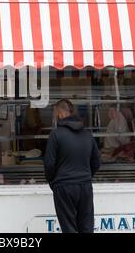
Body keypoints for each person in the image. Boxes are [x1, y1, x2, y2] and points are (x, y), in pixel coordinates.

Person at [44, 99, 101, 233]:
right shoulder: (87, 134)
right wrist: (86, 176)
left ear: (60, 114)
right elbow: (97, 162)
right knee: (86, 227)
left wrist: (53, 182)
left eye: (55, 114)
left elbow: (49, 164)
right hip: (85, 186)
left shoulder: (56, 134)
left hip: (63, 186)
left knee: (69, 228)